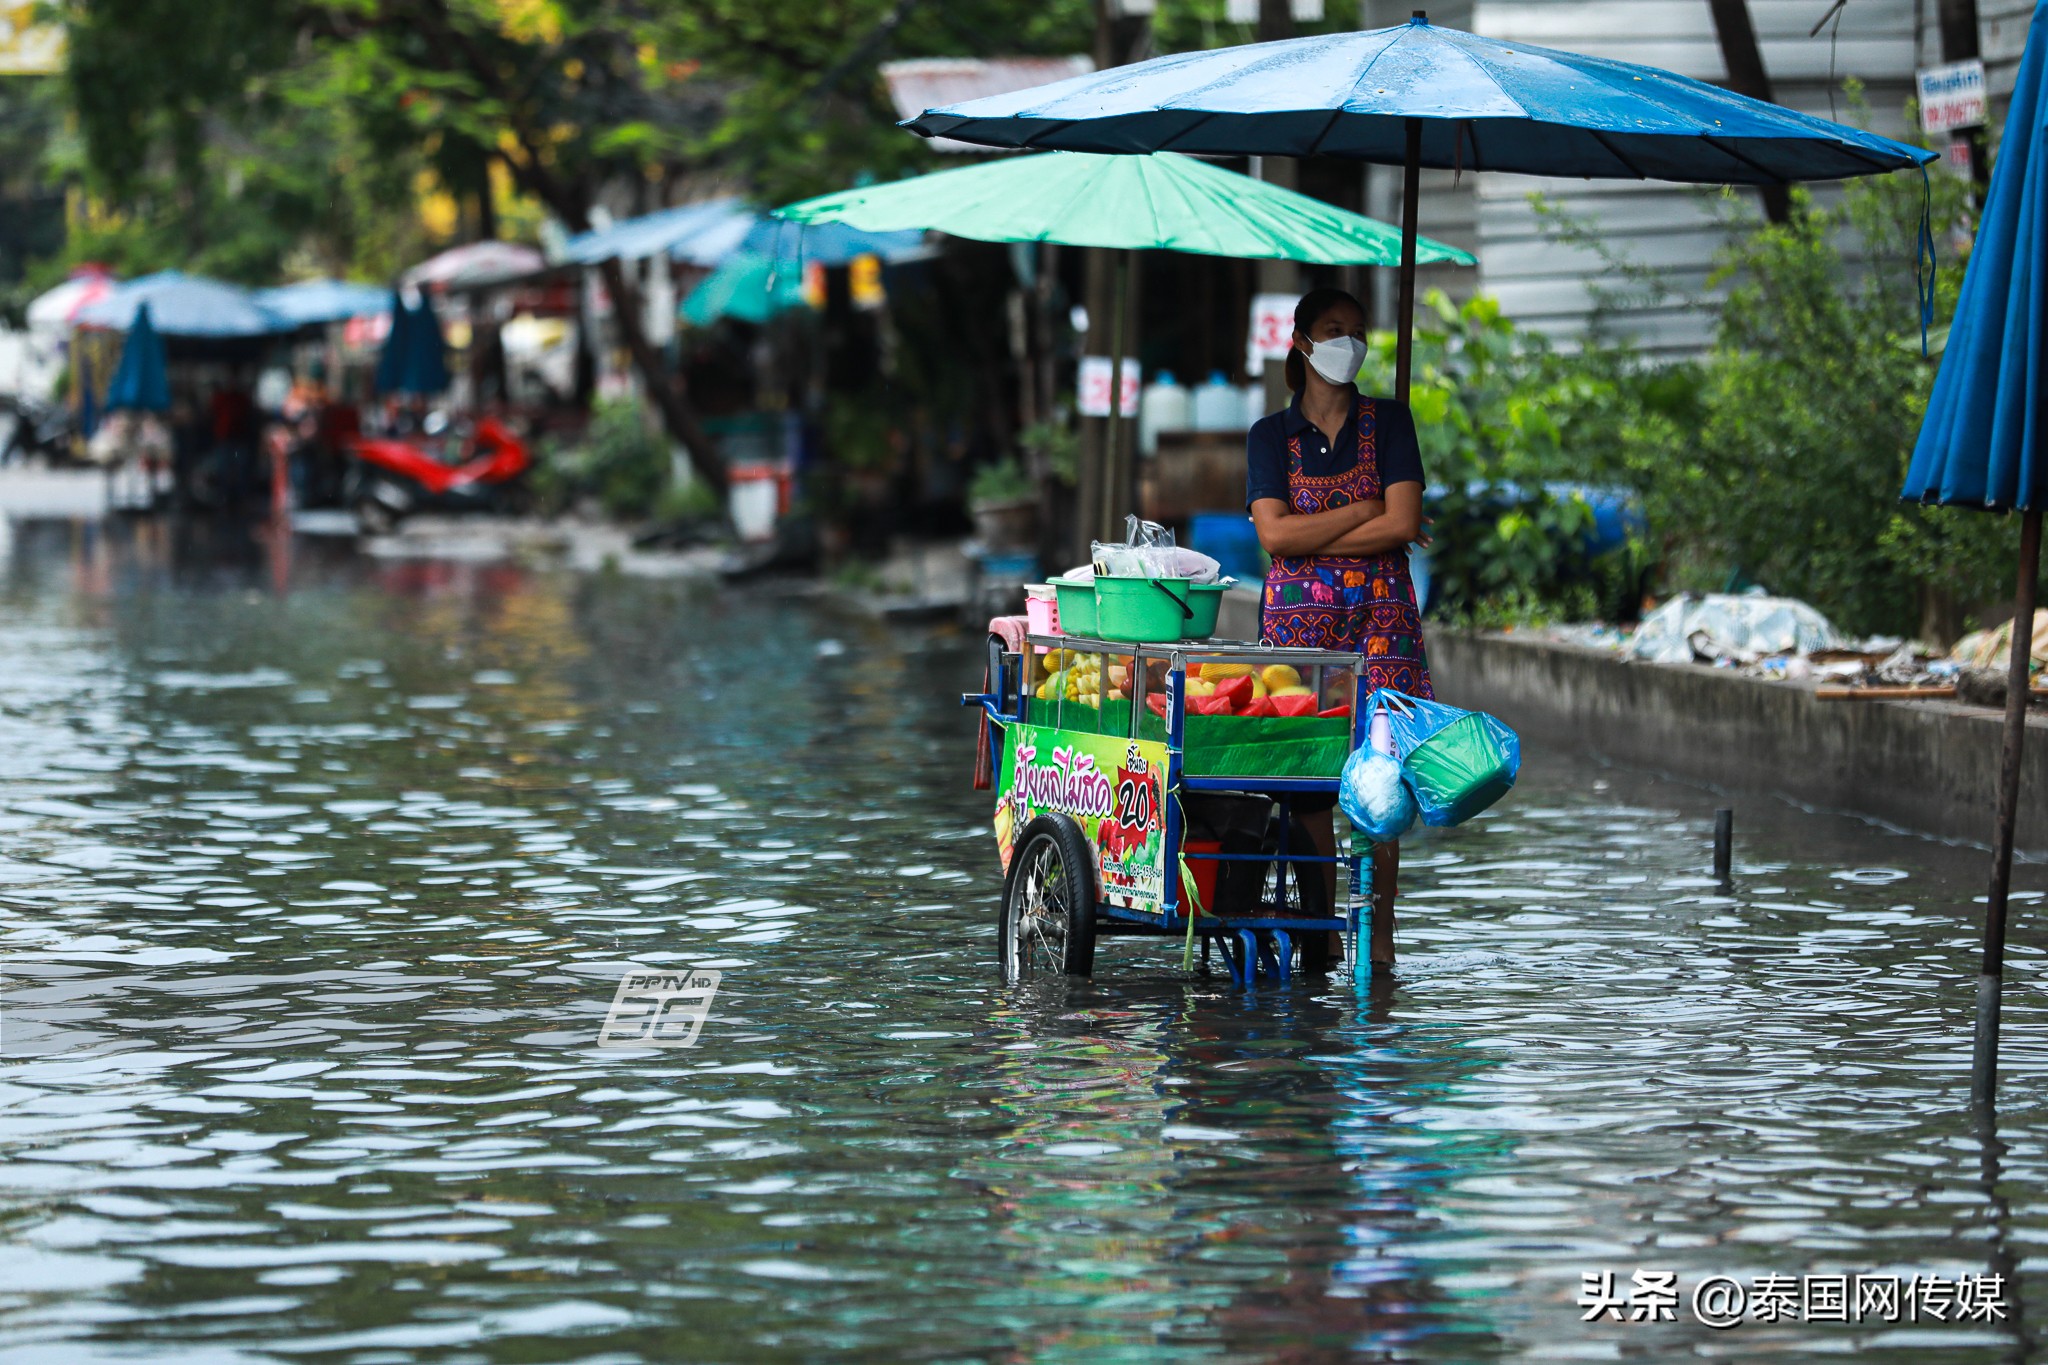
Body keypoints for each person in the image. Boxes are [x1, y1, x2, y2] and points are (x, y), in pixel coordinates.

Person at [1245, 286, 1431, 970]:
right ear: (1301, 340)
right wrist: (1363, 510)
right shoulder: (1270, 436)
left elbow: (1404, 522)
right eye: (1333, 329)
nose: (1347, 342)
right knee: (1311, 781)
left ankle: (1379, 940)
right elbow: (1271, 531)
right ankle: (1323, 932)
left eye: (1357, 331)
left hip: (1383, 622)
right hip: (1303, 632)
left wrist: (1309, 537)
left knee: (1384, 777)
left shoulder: (1391, 422)